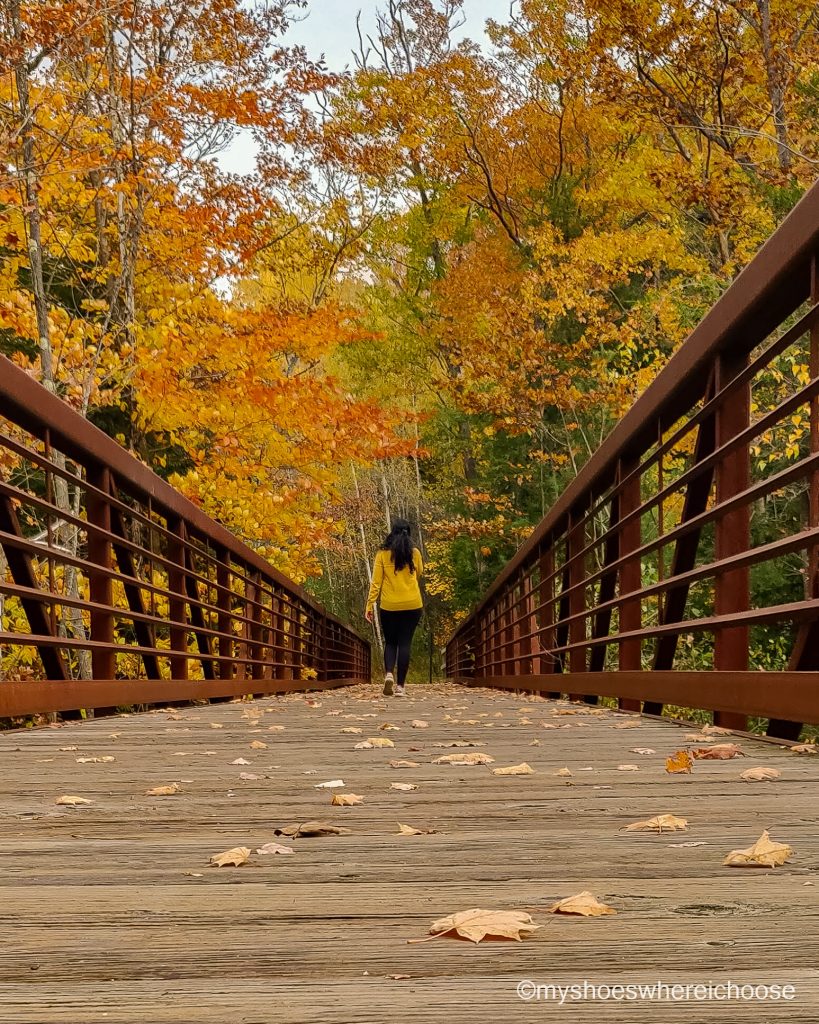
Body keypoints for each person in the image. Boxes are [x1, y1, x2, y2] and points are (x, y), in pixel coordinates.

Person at [365, 519, 423, 696]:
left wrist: (369, 605)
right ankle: (400, 687)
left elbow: (376, 583)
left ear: (393, 532)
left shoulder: (382, 555)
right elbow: (419, 573)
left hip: (389, 606)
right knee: (405, 643)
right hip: (413, 603)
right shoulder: (415, 553)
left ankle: (389, 673)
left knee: (391, 642)